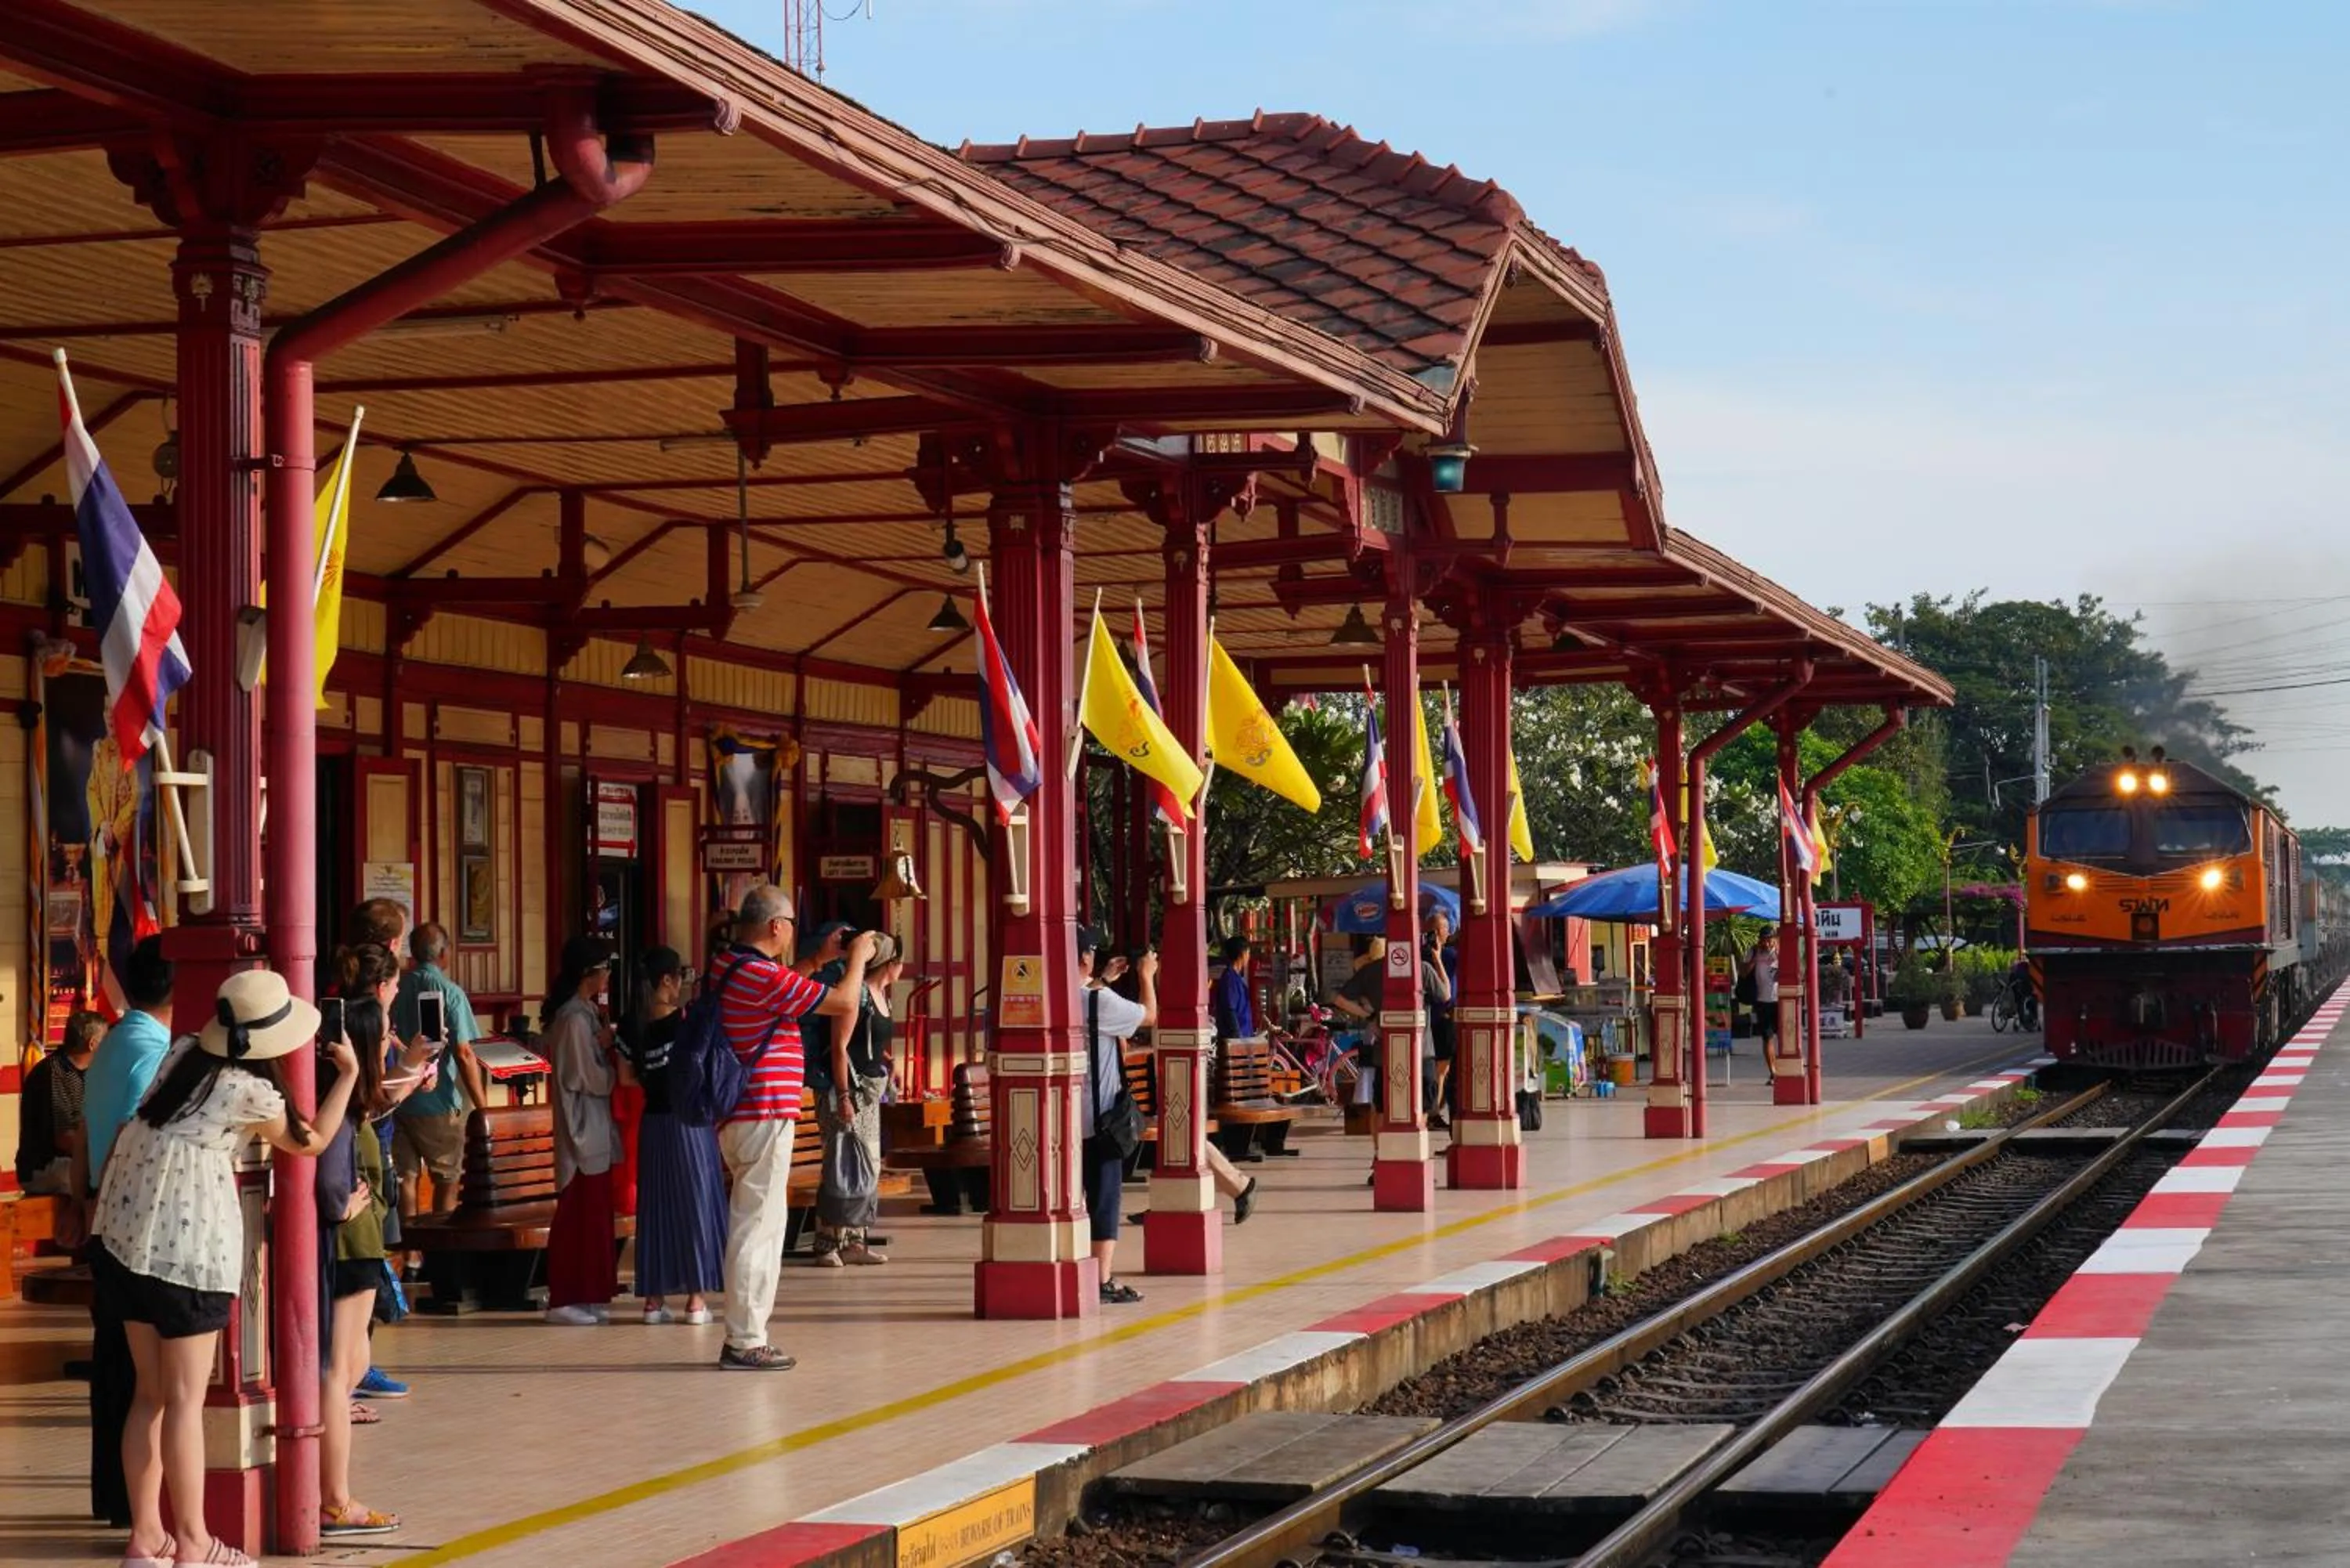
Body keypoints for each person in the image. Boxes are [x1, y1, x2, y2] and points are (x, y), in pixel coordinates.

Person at [92, 969, 355, 1568]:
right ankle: (193, 1542)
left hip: (124, 1239)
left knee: (149, 1396)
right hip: (187, 1250)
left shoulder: (182, 1052)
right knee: (186, 1401)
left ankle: (146, 1537)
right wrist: (348, 1076)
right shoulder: (249, 1091)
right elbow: (309, 1143)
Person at [711, 886, 872, 1369]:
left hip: (746, 1113)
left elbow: (785, 989)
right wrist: (857, 959)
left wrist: (819, 960)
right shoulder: (759, 974)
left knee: (756, 1220)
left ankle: (747, 1332)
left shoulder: (732, 967)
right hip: (761, 1112)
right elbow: (844, 1002)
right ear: (776, 926)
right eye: (791, 926)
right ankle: (745, 1339)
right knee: (759, 1226)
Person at [73, 936, 176, 1530]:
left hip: (104, 1217)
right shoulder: (153, 1051)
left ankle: (112, 1495)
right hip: (134, 1223)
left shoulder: (114, 1042)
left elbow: (87, 1134)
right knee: (143, 1377)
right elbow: (127, 1141)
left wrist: (82, 1202)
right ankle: (134, 1502)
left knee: (114, 1364)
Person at [314, 994, 400, 1537]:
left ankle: (329, 1493)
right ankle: (336, 1498)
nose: (390, 1042)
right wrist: (341, 1205)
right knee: (337, 1375)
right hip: (352, 1247)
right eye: (385, 1035)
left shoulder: (344, 1100)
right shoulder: (342, 1108)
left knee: (340, 1371)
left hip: (354, 1248)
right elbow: (329, 1183)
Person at [619, 947, 725, 1324]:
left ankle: (654, 1301)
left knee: (656, 1209)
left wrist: (655, 1081)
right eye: (681, 975)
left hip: (653, 1124)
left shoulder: (630, 1024)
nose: (683, 982)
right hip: (690, 1123)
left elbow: (626, 1078)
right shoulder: (686, 1021)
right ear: (667, 980)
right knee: (696, 1205)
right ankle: (696, 1301)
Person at [540, 936, 620, 1325]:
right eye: (605, 969)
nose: (608, 977)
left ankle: (590, 1292)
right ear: (589, 973)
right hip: (581, 1129)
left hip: (595, 1126)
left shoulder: (587, 1013)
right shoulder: (573, 1018)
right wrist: (614, 1069)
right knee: (576, 1215)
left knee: (595, 1218)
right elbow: (584, 1076)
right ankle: (564, 1296)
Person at [1075, 927, 1155, 1304]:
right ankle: (1102, 1278)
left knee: (1074, 1198)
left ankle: (1075, 1265)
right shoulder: (1101, 1001)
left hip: (1062, 1123)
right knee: (1105, 1197)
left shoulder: (1058, 997)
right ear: (1085, 959)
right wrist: (1146, 975)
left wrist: (1104, 979)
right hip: (1101, 1120)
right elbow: (1149, 1016)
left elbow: (1086, 996)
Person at [390, 923, 486, 1236]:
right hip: (439, 1101)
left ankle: (409, 1251)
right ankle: (442, 1246)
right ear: (444, 953)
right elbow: (464, 1052)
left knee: (406, 1177)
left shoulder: (396, 987)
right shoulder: (450, 992)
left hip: (398, 1097)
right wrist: (482, 1105)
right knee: (447, 1178)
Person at [813, 932, 900, 1266]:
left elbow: (870, 1041)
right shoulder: (856, 993)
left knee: (868, 1166)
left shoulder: (883, 996)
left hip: (870, 1091)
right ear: (891, 964)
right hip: (846, 1092)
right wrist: (844, 1095)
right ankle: (827, 1243)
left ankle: (856, 1241)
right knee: (840, 1165)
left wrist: (887, 1062)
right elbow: (839, 1047)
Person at [18, 1009, 101, 1194]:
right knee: (98, 1181)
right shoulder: (54, 1072)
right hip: (44, 1167)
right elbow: (64, 1139)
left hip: (68, 1159)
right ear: (93, 1044)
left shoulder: (86, 1072)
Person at [1423, 912, 1459, 1132]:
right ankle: (1433, 1112)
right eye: (1435, 930)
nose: (1440, 934)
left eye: (1442, 929)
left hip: (1440, 1017)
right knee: (1438, 1069)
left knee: (1439, 1068)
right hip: (1434, 1018)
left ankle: (1434, 1108)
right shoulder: (1424, 956)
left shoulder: (1451, 955)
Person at [1745, 927, 1781, 1051]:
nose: (1766, 944)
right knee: (1767, 1037)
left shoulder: (1780, 951)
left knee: (1784, 1035)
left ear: (1775, 939)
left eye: (1769, 940)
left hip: (1779, 999)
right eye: (1763, 940)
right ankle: (1772, 1064)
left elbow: (1790, 974)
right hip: (1761, 1000)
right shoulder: (1754, 951)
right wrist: (1754, 960)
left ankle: (1782, 1060)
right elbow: (1744, 973)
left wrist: (1779, 956)